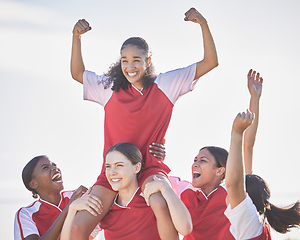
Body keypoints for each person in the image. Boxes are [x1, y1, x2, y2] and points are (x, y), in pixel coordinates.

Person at [70, 7, 218, 239]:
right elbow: (77, 73)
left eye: (136, 60)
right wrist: (76, 38)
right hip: (114, 171)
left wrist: (203, 24)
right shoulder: (109, 87)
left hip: (149, 167)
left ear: (148, 61)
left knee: (159, 203)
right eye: (125, 61)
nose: (130, 67)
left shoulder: (166, 84)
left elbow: (210, 62)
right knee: (79, 225)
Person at [224, 70, 300, 239]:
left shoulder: (246, 216)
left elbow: (246, 146)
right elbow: (248, 146)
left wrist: (237, 132)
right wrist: (255, 98)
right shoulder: (255, 219)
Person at [61, 142, 192, 240]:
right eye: (108, 167)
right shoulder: (105, 207)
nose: (112, 172)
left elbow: (185, 229)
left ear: (137, 167)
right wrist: (72, 210)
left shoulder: (152, 197)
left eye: (119, 165)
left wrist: (166, 188)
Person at [14, 155, 95, 240]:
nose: (55, 168)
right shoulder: (26, 214)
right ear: (34, 184)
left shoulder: (78, 196)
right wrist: (69, 208)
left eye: (54, 165)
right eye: (45, 168)